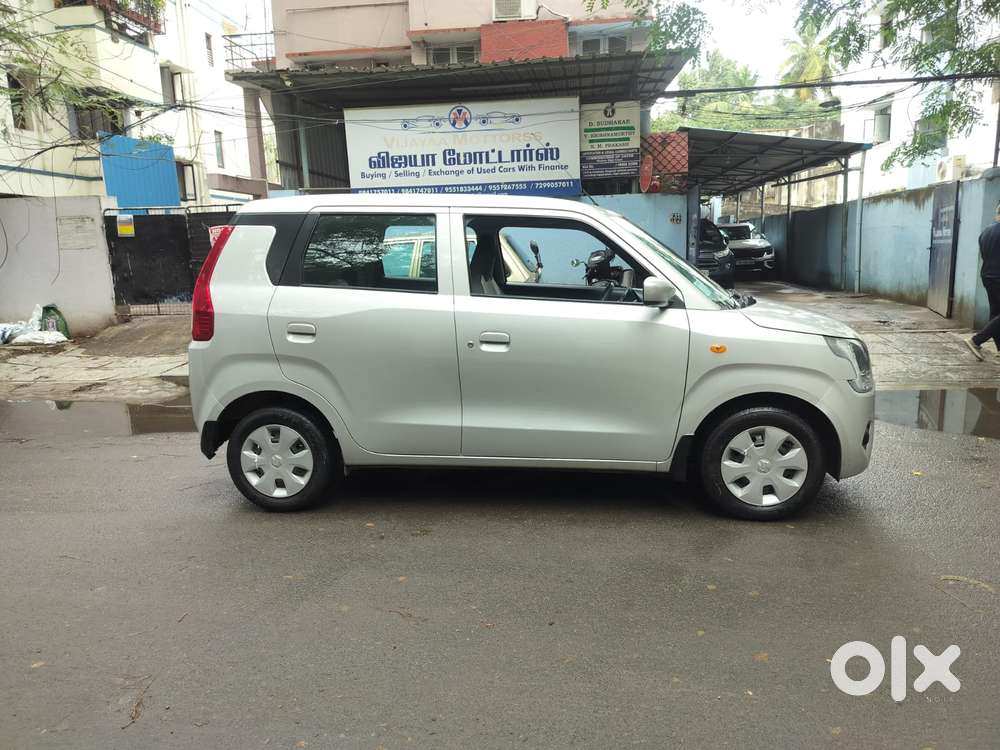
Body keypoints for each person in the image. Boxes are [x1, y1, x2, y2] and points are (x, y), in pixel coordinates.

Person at [966, 200, 1000, 361]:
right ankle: (976, 340)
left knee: (995, 313)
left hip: (987, 275)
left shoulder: (986, 232)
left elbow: (984, 255)